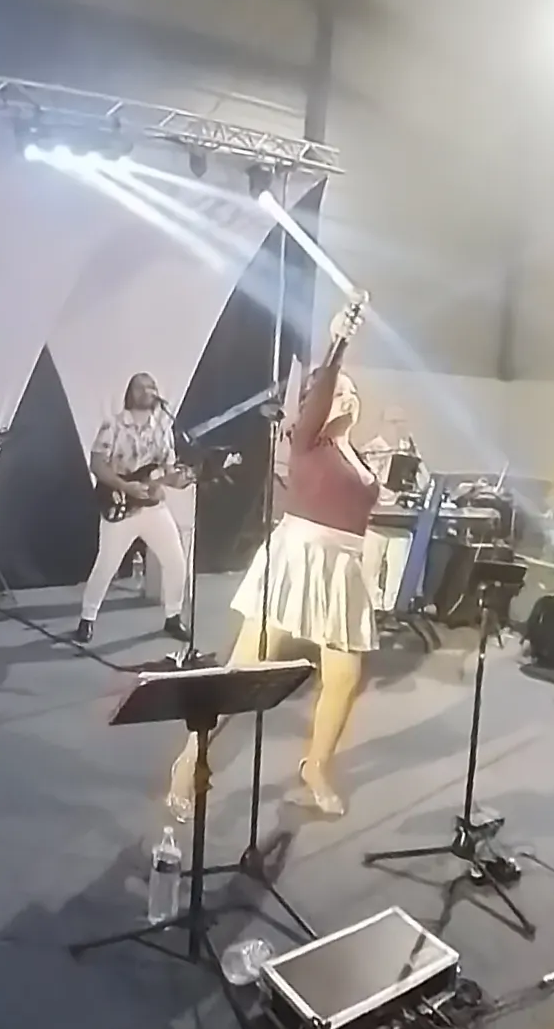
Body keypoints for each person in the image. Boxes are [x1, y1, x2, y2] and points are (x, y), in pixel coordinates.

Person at [164, 305, 378, 821]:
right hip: (298, 560)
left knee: (344, 677)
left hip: (341, 569)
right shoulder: (308, 443)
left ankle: (316, 768)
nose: (346, 396)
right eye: (338, 392)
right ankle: (188, 762)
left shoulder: (357, 456)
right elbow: (321, 390)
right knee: (243, 674)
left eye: (352, 392)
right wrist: (338, 343)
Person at [74, 373, 192, 645]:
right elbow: (97, 464)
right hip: (121, 505)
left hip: (153, 506)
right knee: (106, 565)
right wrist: (125, 487)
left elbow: (169, 471)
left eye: (152, 386)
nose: (148, 390)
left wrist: (182, 479)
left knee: (176, 561)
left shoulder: (162, 429)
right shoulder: (113, 425)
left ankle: (173, 616)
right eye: (142, 387)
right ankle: (87, 618)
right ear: (131, 392)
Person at [359, 407, 427, 612]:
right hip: (376, 521)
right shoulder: (371, 450)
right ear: (383, 423)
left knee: (398, 572)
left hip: (401, 522)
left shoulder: (408, 451)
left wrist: (417, 459)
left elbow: (425, 484)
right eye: (393, 422)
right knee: (370, 571)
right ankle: (372, 610)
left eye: (401, 422)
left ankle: (392, 611)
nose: (397, 427)